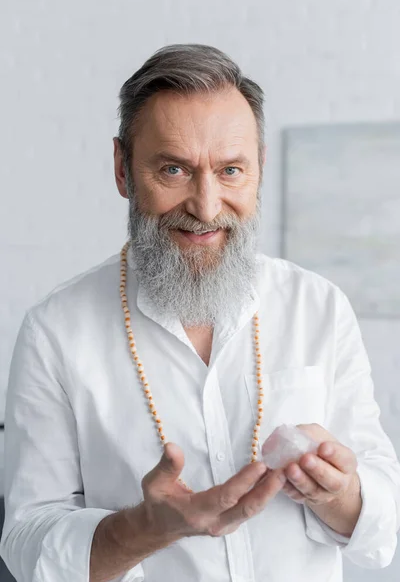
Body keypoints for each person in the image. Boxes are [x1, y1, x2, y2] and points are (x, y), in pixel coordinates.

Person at [1, 44, 399, 582]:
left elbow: (383, 530)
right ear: (122, 169)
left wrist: (343, 494)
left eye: (231, 170)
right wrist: (144, 528)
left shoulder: (319, 306)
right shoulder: (55, 332)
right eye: (174, 170)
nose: (206, 206)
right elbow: (25, 541)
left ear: (259, 167)